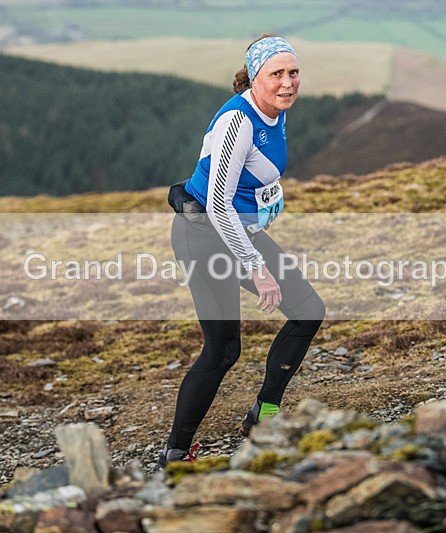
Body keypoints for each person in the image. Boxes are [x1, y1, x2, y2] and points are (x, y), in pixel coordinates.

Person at [160, 34, 326, 465]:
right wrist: (256, 267)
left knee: (308, 311)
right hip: (204, 237)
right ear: (255, 77)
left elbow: (244, 175)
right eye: (277, 74)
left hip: (237, 232)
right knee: (222, 351)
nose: (287, 82)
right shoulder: (240, 121)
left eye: (293, 72)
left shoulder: (275, 111)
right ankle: (175, 453)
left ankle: (262, 415)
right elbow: (218, 202)